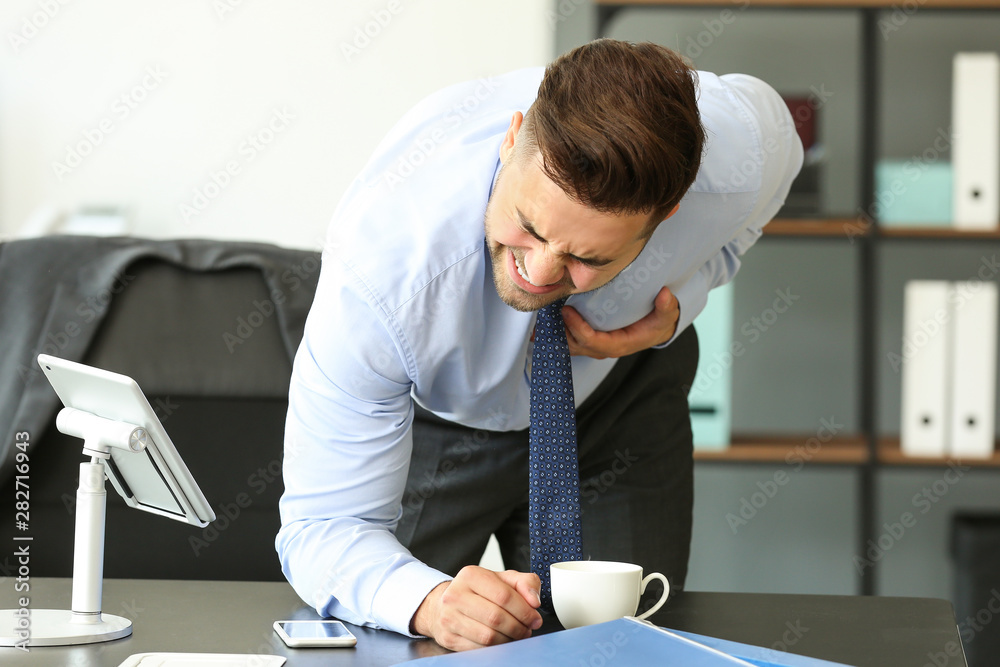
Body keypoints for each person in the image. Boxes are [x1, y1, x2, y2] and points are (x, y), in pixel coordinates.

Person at [277, 38, 803, 652]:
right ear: (511, 139)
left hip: (618, 399)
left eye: (589, 257)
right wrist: (428, 601)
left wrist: (679, 306)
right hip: (438, 419)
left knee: (620, 651)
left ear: (667, 214)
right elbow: (323, 528)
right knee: (392, 639)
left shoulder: (739, 150)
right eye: (528, 227)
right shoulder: (382, 279)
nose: (540, 272)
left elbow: (762, 194)